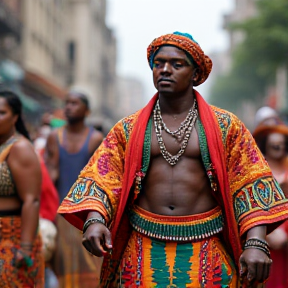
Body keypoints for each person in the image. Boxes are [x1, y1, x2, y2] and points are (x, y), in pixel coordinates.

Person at [58, 32, 288, 287]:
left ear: (195, 73)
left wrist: (256, 242)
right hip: (141, 251)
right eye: (159, 63)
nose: (165, 70)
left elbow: (251, 181)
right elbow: (102, 176)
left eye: (177, 64)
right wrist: (95, 219)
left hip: (208, 251)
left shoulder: (227, 126)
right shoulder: (128, 128)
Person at [45, 90, 104, 287]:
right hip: (61, 213)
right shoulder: (55, 137)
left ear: (87, 111)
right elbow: (50, 175)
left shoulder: (95, 138)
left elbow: (99, 179)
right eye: (67, 103)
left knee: (89, 266)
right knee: (63, 265)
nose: (69, 107)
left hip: (85, 215)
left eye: (75, 103)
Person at [0, 90, 44, 287]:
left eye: (2, 113)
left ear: (15, 116)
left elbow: (31, 200)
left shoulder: (20, 148)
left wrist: (25, 248)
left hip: (13, 238)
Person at [253, 123, 288, 288]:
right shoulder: (255, 173)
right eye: (274, 144)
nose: (278, 147)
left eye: (282, 143)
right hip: (260, 243)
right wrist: (264, 235)